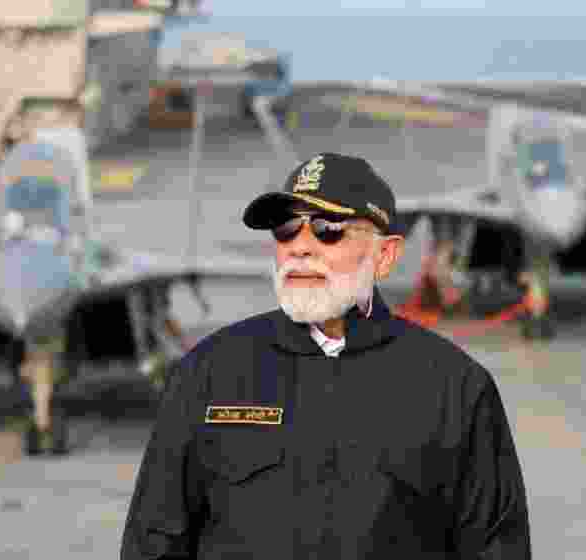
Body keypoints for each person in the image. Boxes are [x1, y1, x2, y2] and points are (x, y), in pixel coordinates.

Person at [120, 152, 531, 559]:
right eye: (286, 229)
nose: (300, 247)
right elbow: (152, 543)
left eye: (327, 229)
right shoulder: (207, 375)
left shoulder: (455, 390)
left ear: (384, 256)